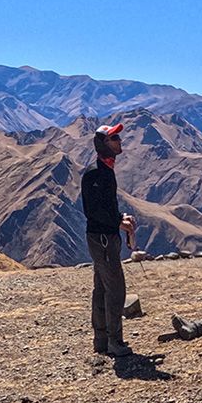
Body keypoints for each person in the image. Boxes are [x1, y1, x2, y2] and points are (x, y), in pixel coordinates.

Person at [80, 122, 137, 358]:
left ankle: (101, 340)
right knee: (115, 289)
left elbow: (104, 207)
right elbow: (92, 211)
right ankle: (115, 341)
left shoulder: (105, 170)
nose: (119, 142)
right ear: (103, 144)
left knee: (101, 287)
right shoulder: (95, 174)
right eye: (114, 139)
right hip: (102, 238)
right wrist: (117, 222)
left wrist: (119, 217)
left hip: (104, 237)